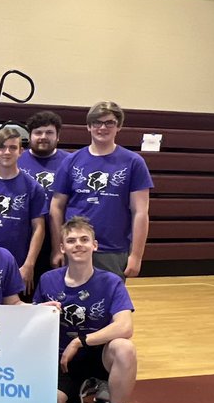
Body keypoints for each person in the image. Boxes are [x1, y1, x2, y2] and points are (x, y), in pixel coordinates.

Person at [35, 216, 138, 403]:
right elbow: (34, 326)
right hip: (64, 361)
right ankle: (74, 390)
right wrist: (38, 312)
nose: (78, 244)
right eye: (71, 240)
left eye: (84, 239)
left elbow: (125, 327)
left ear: (95, 245)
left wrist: (81, 341)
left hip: (98, 355)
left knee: (125, 348)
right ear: (62, 247)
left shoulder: (111, 281)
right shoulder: (48, 280)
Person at [50, 101, 153, 278]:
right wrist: (58, 248)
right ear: (89, 126)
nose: (102, 127)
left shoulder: (133, 162)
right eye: (97, 122)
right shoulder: (71, 161)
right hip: (75, 247)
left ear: (118, 126)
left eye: (109, 122)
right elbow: (56, 207)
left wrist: (136, 255)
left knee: (108, 304)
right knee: (73, 301)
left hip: (112, 250)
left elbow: (140, 212)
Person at [0, 126, 47, 296]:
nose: (7, 152)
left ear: (21, 151)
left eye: (13, 147)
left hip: (18, 264)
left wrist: (29, 264)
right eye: (1, 147)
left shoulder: (32, 187)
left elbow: (39, 228)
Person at [17, 110, 72, 282]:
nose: (43, 137)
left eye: (49, 132)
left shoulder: (69, 162)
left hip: (57, 236)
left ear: (58, 136)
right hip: (25, 237)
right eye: (38, 132)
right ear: (30, 135)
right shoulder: (16, 160)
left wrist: (59, 246)